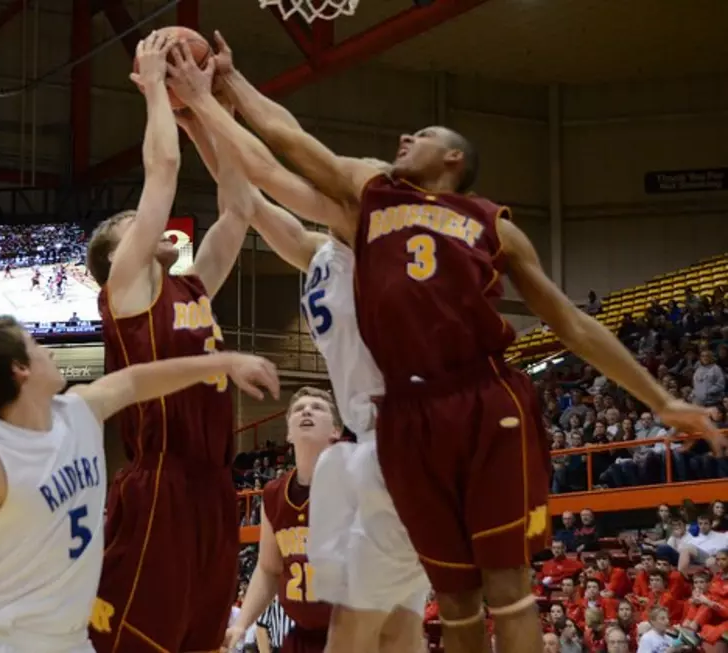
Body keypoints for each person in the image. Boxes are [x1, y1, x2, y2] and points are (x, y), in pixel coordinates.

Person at [167, 32, 725, 653]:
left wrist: (657, 398)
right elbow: (268, 170)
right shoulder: (347, 223)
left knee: (486, 593)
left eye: (421, 136)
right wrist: (214, 100)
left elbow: (571, 321)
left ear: (454, 159)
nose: (402, 142)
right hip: (395, 426)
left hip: (475, 400)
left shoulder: (456, 220)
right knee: (440, 605)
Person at [176, 90, 429, 651]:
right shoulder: (320, 251)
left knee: (381, 618)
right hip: (370, 441)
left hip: (404, 434)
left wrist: (208, 98)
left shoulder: (378, 254)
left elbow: (269, 167)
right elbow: (250, 197)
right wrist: (197, 125)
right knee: (392, 615)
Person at [0, 316, 279, 653]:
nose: (50, 350)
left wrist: (224, 361)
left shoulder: (81, 409)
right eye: (36, 344)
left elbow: (138, 380)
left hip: (70, 641)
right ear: (21, 369)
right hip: (3, 641)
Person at [85, 30, 255, 653]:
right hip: (159, 482)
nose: (152, 221)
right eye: (135, 222)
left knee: (198, 640)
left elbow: (238, 209)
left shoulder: (192, 288)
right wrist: (157, 90)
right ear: (114, 254)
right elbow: (162, 171)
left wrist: (218, 112)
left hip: (214, 486)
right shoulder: (126, 288)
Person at [224, 388, 340, 652]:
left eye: (317, 407)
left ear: (335, 430)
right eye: (299, 409)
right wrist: (241, 624)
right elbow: (268, 570)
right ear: (288, 433)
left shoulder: (353, 484)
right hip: (300, 638)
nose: (307, 410)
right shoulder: (274, 494)